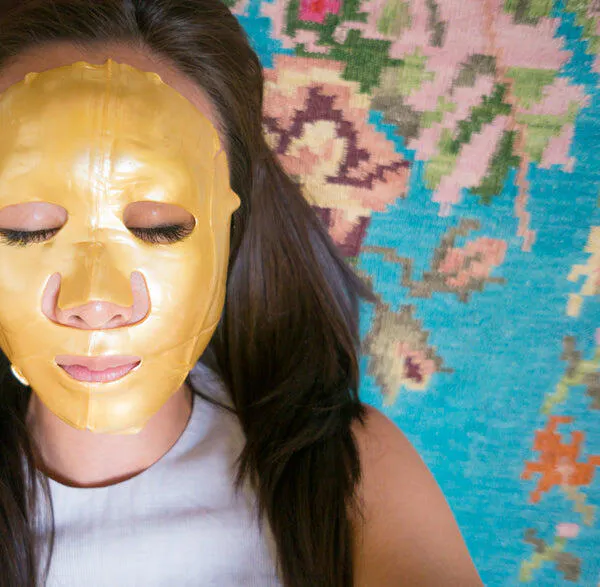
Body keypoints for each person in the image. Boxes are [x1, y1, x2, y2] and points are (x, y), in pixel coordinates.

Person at [0, 1, 483, 586]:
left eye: (159, 226)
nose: (97, 303)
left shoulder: (350, 474)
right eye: (24, 228)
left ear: (231, 222)